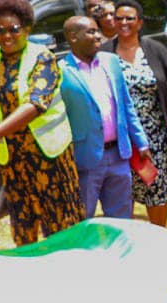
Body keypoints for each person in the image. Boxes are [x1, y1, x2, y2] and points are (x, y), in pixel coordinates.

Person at [0, 0, 85, 245]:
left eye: (14, 29)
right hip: (13, 160)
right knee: (23, 224)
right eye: (0, 31)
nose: (7, 36)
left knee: (61, 226)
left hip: (49, 157)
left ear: (27, 29)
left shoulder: (43, 57)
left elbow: (35, 104)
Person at [102, 0, 167, 228]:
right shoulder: (104, 53)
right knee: (124, 192)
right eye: (119, 18)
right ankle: (128, 243)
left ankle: (158, 239)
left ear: (140, 23)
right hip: (121, 139)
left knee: (156, 189)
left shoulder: (156, 50)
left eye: (129, 18)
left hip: (155, 136)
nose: (124, 23)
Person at [59, 15, 153, 220]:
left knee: (121, 219)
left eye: (97, 31)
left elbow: (126, 105)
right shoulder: (61, 72)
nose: (98, 36)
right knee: (83, 219)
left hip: (119, 155)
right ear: (73, 37)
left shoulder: (110, 62)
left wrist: (141, 142)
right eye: (91, 32)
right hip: (86, 158)